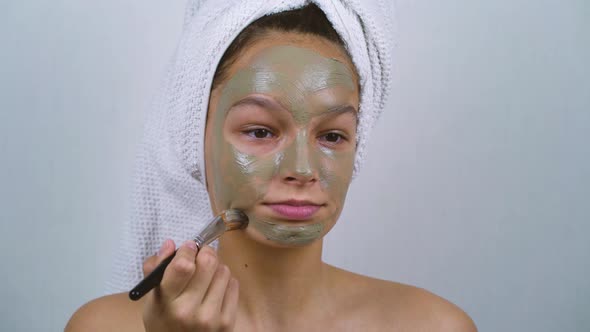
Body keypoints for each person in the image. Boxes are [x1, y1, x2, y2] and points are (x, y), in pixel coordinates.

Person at [67, 1, 477, 331]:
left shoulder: (434, 325)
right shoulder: (103, 326)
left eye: (332, 136)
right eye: (261, 132)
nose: (302, 168)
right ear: (196, 137)